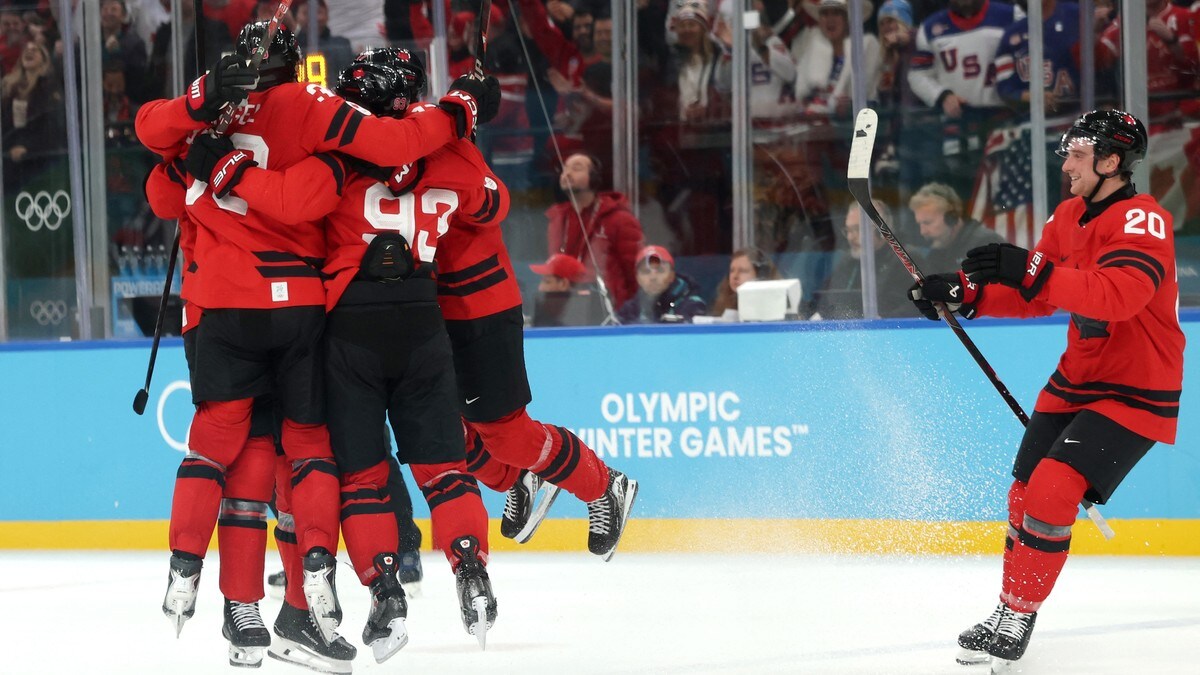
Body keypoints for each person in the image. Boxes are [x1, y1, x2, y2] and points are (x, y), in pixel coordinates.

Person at [135, 20, 498, 664]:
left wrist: (205, 123)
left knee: (241, 453)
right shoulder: (317, 110)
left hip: (223, 309)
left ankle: (214, 589)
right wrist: (460, 109)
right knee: (315, 454)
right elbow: (413, 166)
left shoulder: (207, 112)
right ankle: (314, 593)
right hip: (325, 308)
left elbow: (160, 186)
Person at [909, 111, 1183, 670]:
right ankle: (1009, 606)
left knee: (1055, 488)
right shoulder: (1067, 215)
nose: (1068, 163)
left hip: (1137, 386)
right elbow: (1040, 293)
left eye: (1079, 155)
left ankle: (1021, 612)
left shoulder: (1143, 221)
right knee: (1023, 493)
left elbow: (1117, 297)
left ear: (1111, 162)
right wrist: (965, 295)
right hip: (1076, 378)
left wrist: (1030, 269)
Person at [907, 0, 1022, 197]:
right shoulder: (929, 29)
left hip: (1006, 119)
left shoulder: (1012, 15)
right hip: (959, 126)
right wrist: (942, 95)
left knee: (1007, 194)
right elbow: (917, 74)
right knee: (963, 195)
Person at [545, 152, 645, 309]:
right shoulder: (557, 219)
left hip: (610, 312)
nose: (567, 174)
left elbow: (634, 273)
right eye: (564, 169)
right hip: (565, 311)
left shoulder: (619, 219)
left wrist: (624, 310)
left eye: (576, 168)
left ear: (594, 177)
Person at [814, 199, 919, 320]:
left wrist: (884, 321)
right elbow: (829, 301)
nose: (850, 237)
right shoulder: (847, 261)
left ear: (881, 230)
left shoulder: (907, 259)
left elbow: (916, 306)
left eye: (858, 229)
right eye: (848, 230)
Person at [993, 0, 1080, 115]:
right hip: (1033, 123)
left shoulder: (1080, 15)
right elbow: (1004, 89)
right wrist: (1032, 97)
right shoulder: (1011, 36)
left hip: (1079, 116)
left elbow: (1102, 74)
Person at [909, 182, 1005, 272]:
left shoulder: (985, 243)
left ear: (951, 217)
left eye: (927, 223)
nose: (923, 232)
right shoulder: (936, 253)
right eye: (919, 224)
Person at [617, 245, 707, 324]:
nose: (653, 277)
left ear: (671, 276)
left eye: (660, 271)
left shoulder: (692, 305)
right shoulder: (629, 310)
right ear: (638, 278)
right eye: (646, 271)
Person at [527, 252, 605, 327]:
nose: (540, 287)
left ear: (563, 284)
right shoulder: (541, 316)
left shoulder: (595, 321)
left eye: (547, 282)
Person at [709, 246, 780, 317]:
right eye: (732, 270)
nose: (735, 276)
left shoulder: (776, 307)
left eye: (743, 271)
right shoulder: (722, 305)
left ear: (761, 275)